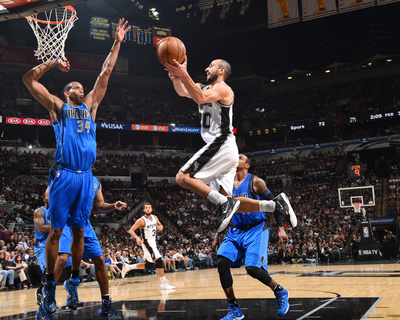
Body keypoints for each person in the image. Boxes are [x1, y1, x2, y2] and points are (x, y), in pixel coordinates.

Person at [22, 18, 131, 317]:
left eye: (83, 87)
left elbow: (106, 71)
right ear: (68, 91)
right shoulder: (58, 107)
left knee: (80, 231)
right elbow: (28, 81)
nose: (82, 89)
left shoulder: (91, 106)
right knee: (57, 232)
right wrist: (51, 63)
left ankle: (72, 283)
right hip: (65, 174)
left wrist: (117, 41)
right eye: (77, 87)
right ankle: (48, 288)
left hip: (86, 177)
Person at [165, 58, 297, 233]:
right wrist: (176, 79)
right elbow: (183, 91)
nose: (206, 68)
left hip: (221, 142)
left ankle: (225, 203)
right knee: (231, 202)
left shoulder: (223, 88)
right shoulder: (203, 87)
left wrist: (185, 74)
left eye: (211, 66)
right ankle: (274, 204)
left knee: (182, 177)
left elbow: (200, 98)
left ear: (221, 71)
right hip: (225, 148)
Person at [216, 154, 293, 319]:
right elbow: (223, 209)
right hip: (236, 230)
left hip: (256, 228)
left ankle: (280, 291)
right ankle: (234, 308)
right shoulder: (226, 185)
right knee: (222, 263)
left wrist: (281, 228)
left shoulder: (256, 182)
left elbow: (277, 204)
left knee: (252, 268)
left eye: (241, 157)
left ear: (247, 165)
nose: (237, 158)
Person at [53, 176, 127, 320]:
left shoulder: (95, 181)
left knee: (99, 260)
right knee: (63, 258)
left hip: (83, 223)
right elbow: (49, 196)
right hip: (66, 221)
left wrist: (113, 206)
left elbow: (100, 205)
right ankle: (47, 298)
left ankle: (106, 304)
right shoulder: (68, 174)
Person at [123, 203, 175, 290]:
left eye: (149, 208)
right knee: (159, 262)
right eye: (146, 208)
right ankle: (163, 283)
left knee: (149, 266)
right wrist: (137, 238)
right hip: (147, 243)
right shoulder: (141, 220)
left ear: (151, 209)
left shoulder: (155, 217)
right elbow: (131, 230)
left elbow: (160, 226)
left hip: (153, 242)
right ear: (143, 210)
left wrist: (160, 227)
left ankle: (128, 267)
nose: (148, 209)